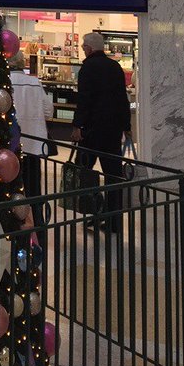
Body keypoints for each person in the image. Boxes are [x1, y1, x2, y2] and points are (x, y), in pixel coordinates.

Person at [71, 31, 131, 233]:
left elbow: (84, 99)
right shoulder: (115, 67)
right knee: (113, 175)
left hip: (91, 131)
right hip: (112, 131)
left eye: (82, 46)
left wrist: (78, 125)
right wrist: (126, 126)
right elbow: (122, 99)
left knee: (84, 172)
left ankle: (96, 211)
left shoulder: (87, 67)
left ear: (88, 48)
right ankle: (114, 220)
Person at [8, 52, 54, 200]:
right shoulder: (34, 83)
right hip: (34, 144)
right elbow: (48, 111)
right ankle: (37, 217)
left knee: (12, 184)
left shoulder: (4, 82)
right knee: (33, 186)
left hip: (11, 144)